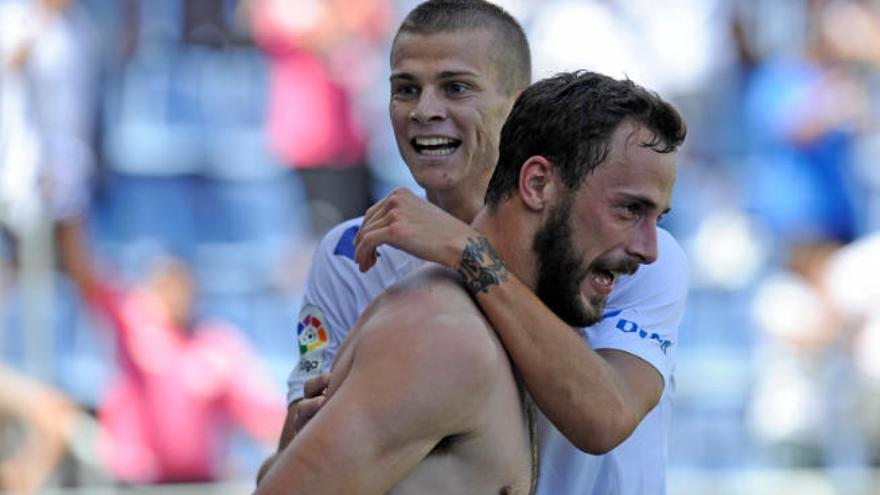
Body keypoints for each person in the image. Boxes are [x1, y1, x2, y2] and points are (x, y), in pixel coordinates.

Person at [264, 1, 690, 493]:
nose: (424, 111)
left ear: (518, 104)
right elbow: (288, 469)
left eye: (456, 87)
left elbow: (603, 417)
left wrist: (465, 252)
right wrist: (315, 422)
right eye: (405, 89)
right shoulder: (351, 253)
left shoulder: (629, 252)